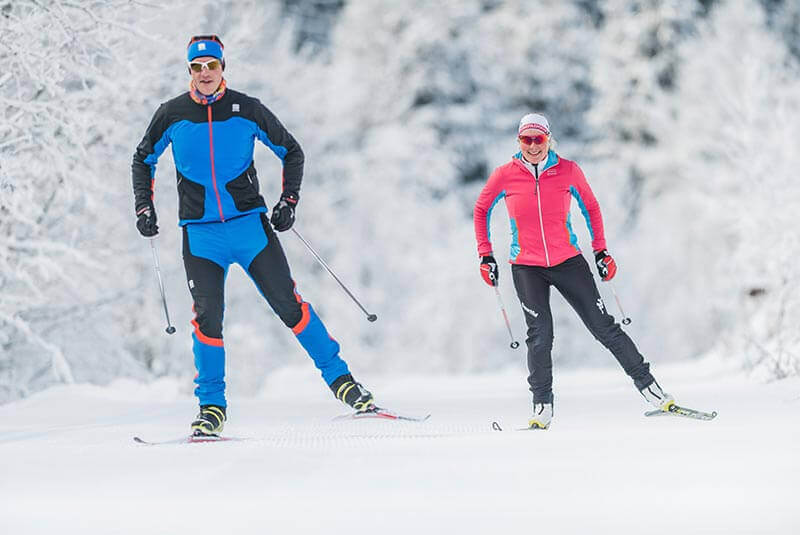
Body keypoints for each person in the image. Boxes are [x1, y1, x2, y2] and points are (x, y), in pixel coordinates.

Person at [131, 35, 375, 436]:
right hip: (201, 234)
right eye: (197, 67)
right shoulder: (170, 114)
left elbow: (291, 150)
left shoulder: (247, 109)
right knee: (207, 317)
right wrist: (144, 207)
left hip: (250, 229)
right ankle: (211, 408)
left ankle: (344, 383)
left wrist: (288, 202)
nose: (205, 73)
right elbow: (142, 159)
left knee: (290, 306)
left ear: (223, 67)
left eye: (211, 65)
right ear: (189, 72)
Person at [473, 113, 675, 429]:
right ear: (519, 142)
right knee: (540, 335)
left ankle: (653, 391)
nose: (533, 146)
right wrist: (486, 256)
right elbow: (482, 209)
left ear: (548, 140)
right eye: (526, 140)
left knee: (604, 327)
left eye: (538, 139)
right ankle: (542, 407)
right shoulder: (505, 175)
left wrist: (601, 250)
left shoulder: (568, 171)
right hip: (527, 266)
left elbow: (590, 207)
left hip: (568, 261)